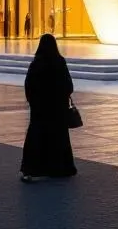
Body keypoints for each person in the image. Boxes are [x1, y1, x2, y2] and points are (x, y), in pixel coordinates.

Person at [21, 34, 77, 182]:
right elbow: (68, 85)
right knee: (58, 138)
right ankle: (60, 168)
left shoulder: (36, 63)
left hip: (40, 109)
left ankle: (32, 169)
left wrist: (33, 101)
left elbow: (29, 86)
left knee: (36, 137)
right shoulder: (59, 62)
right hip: (57, 109)